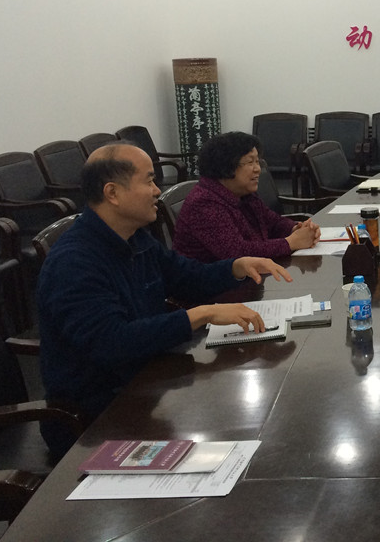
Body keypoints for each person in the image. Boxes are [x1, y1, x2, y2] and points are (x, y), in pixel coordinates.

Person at [38, 143, 293, 460]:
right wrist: (199, 315)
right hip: (96, 417)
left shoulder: (135, 237)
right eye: (148, 181)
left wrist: (236, 267)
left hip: (150, 381)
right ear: (113, 193)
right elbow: (112, 343)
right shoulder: (74, 262)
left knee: (262, 417)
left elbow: (186, 276)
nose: (158, 191)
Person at [173, 131, 321, 262]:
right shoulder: (204, 203)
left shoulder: (243, 193)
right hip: (214, 284)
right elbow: (238, 253)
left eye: (257, 161)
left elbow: (272, 222)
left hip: (251, 276)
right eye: (250, 162)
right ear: (226, 166)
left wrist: (296, 229)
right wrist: (290, 243)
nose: (258, 169)